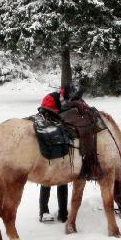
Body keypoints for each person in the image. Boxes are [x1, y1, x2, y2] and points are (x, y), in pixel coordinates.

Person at [36, 80, 85, 223]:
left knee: (63, 178)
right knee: (47, 178)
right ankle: (43, 211)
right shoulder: (51, 97)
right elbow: (45, 115)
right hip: (50, 143)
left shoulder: (75, 101)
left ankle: (63, 212)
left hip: (65, 145)